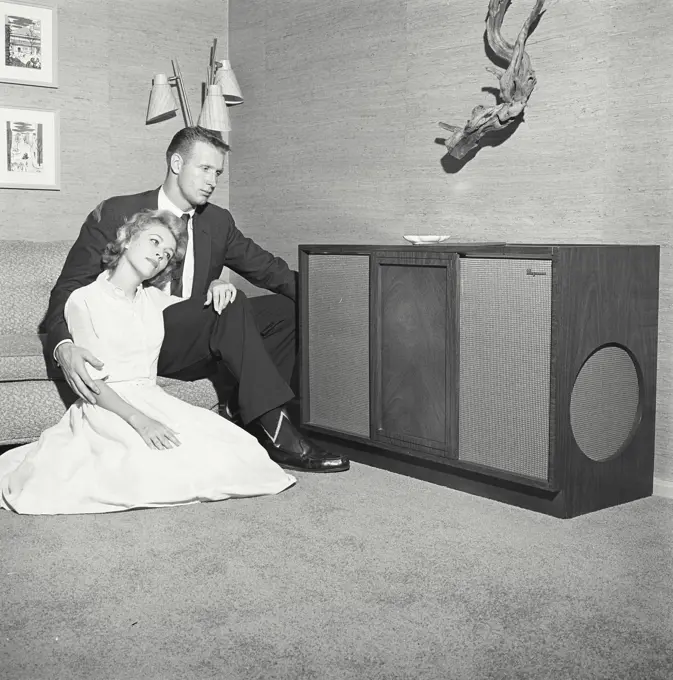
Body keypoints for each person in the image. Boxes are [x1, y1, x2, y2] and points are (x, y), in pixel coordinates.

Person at [43, 126, 348, 473]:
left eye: (217, 173)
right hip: (143, 337)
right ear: (176, 163)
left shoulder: (217, 221)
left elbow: (269, 270)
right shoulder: (118, 212)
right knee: (230, 304)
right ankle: (278, 433)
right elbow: (67, 289)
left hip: (196, 336)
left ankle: (255, 415)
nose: (212, 181)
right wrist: (63, 345)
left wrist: (335, 299)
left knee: (287, 309)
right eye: (204, 169)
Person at [0, 210, 297, 514]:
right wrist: (139, 421)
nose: (159, 255)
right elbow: (91, 384)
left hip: (155, 398)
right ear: (127, 240)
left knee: (240, 455)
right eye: (154, 242)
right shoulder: (83, 299)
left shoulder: (153, 298)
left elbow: (200, 313)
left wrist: (216, 284)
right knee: (144, 473)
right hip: (110, 408)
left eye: (167, 254)